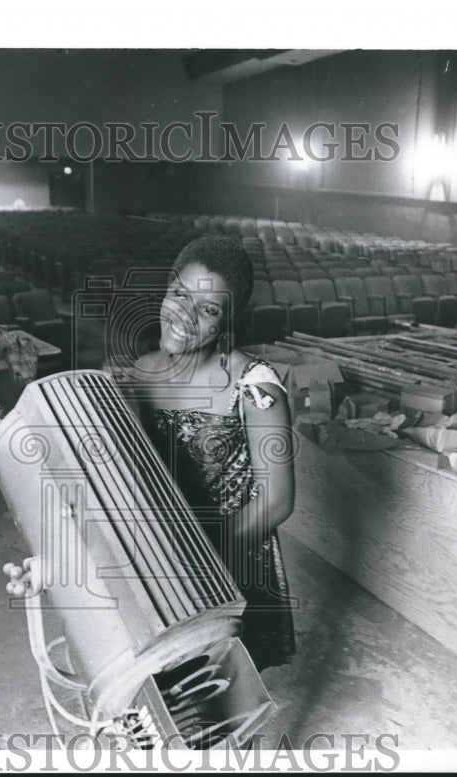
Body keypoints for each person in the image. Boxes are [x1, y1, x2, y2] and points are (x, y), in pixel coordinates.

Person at [129, 236, 296, 671]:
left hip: (228, 561)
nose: (184, 316)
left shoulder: (255, 384)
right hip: (162, 555)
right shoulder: (141, 372)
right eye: (179, 295)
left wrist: (199, 562)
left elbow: (276, 501)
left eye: (207, 309)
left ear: (225, 322)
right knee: (162, 688)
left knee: (220, 697)